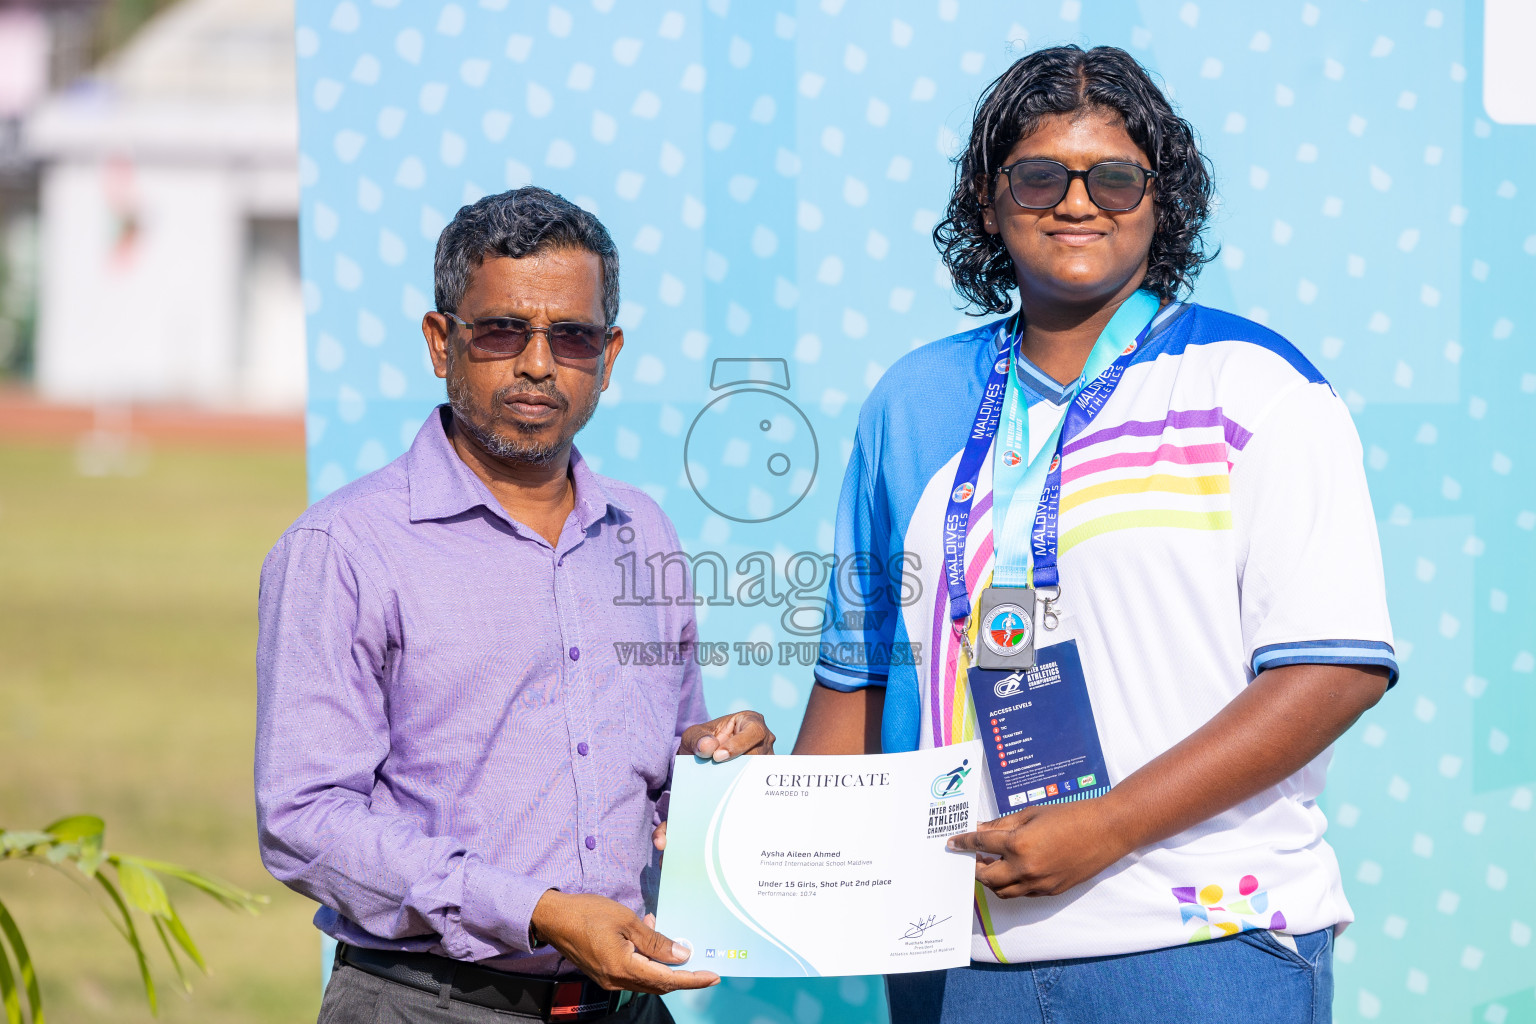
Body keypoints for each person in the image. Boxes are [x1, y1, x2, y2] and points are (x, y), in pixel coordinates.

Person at [794, 45, 1396, 1023]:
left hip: (1200, 945)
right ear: (989, 203)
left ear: (1162, 200)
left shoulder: (1258, 386)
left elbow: (1332, 672)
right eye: (1039, 174)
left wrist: (1109, 826)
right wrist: (738, 838)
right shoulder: (909, 404)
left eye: (1114, 176)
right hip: (954, 959)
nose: (1078, 200)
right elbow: (856, 690)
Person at [256, 187, 774, 1024]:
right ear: (441, 341)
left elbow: (657, 784)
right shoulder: (345, 549)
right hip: (427, 1002)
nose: (538, 363)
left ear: (606, 356)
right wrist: (535, 910)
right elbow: (305, 819)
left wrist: (715, 768)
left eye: (569, 336)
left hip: (624, 1005)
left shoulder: (642, 532)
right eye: (502, 331)